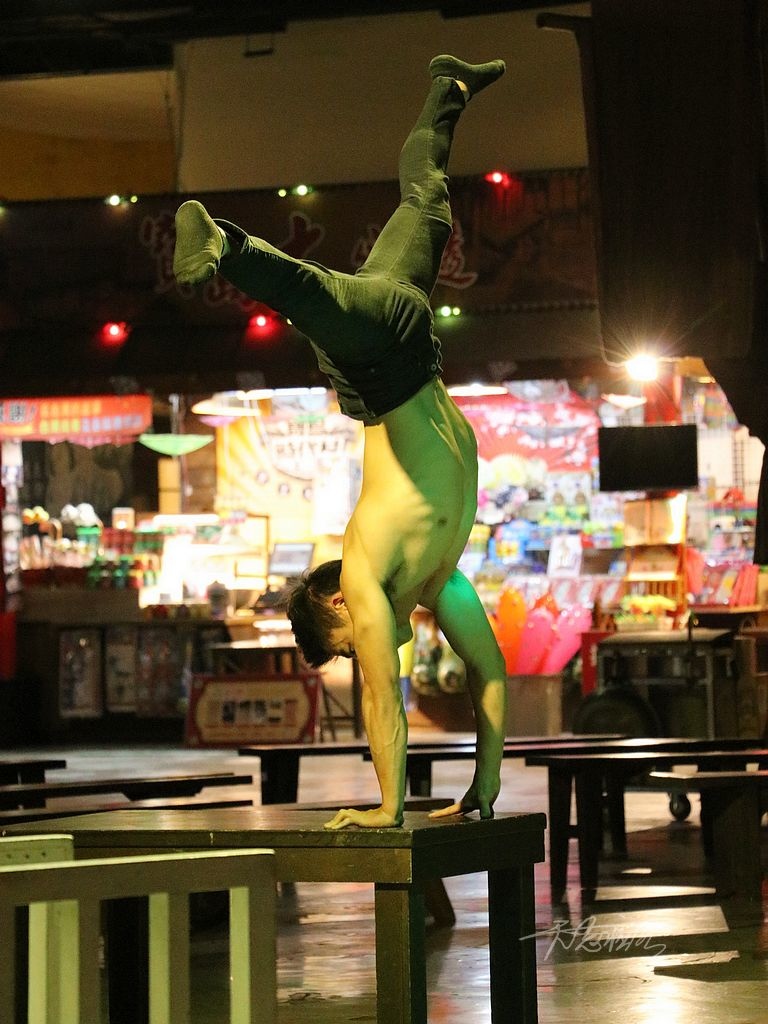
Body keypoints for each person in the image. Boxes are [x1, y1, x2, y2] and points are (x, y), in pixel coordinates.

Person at [173, 54, 508, 829]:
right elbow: (490, 671)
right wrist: (485, 786)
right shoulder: (440, 581)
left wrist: (388, 808)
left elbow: (382, 695)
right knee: (427, 203)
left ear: (336, 603)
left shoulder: (364, 572)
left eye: (348, 643)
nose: (367, 649)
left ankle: (221, 240)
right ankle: (448, 86)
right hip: (412, 344)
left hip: (378, 361)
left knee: (312, 295)